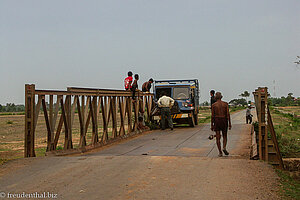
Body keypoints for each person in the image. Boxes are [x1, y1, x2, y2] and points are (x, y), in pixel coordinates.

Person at [211, 92, 231, 157]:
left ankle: (220, 152)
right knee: (225, 135)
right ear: (221, 97)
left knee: (218, 137)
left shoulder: (214, 105)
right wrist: (230, 123)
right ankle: (224, 147)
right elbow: (228, 114)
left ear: (215, 97)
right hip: (224, 120)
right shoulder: (225, 104)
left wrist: (212, 125)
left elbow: (212, 116)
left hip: (217, 121)